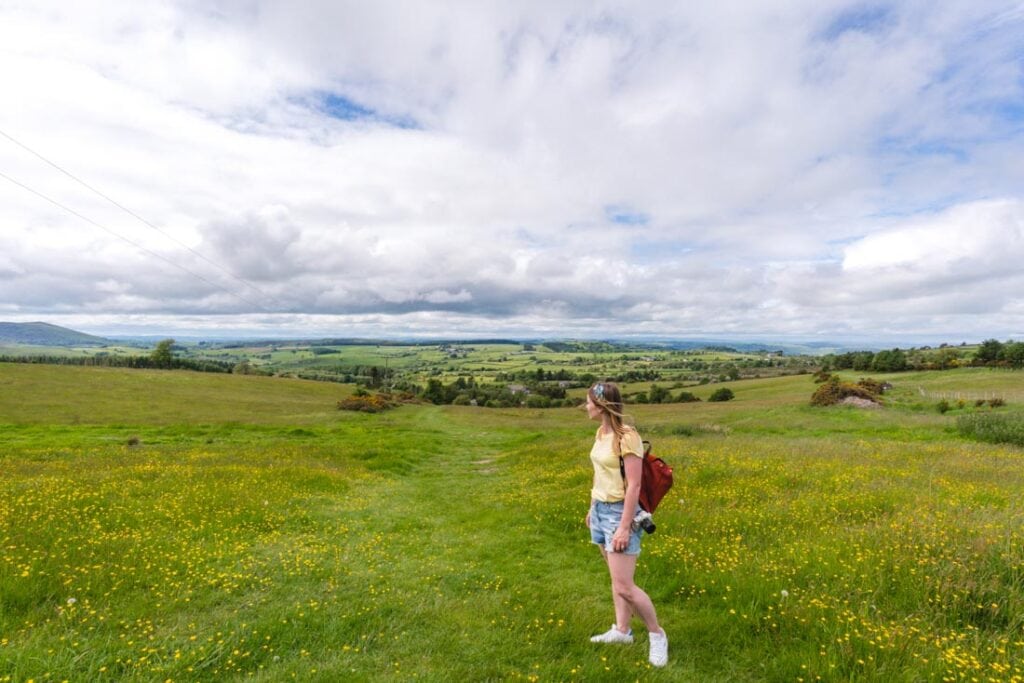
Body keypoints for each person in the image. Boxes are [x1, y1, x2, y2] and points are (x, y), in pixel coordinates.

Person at [584, 381, 668, 667]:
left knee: (624, 586)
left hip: (621, 513)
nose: (585, 407)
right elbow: (600, 474)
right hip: (599, 510)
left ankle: (657, 635)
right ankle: (622, 631)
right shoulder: (600, 432)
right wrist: (591, 507)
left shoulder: (627, 437)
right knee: (616, 581)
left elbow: (633, 486)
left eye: (588, 403)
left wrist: (622, 527)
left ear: (602, 405)